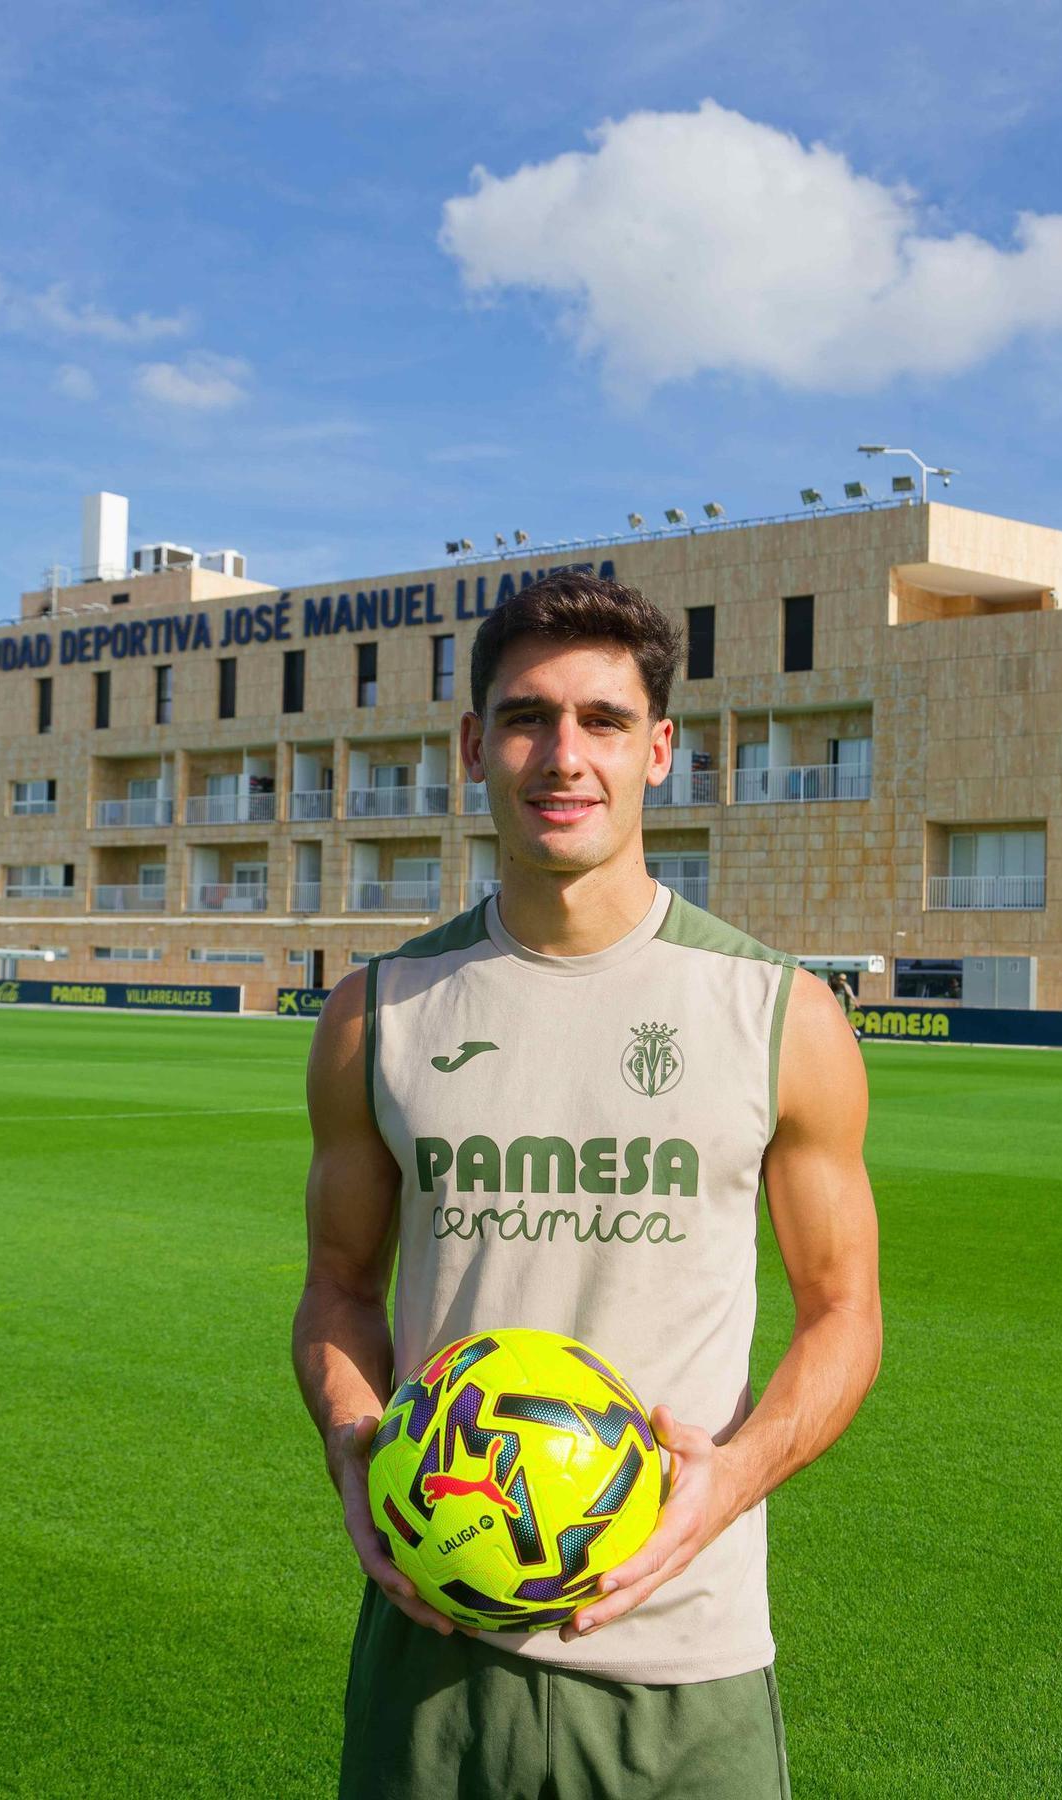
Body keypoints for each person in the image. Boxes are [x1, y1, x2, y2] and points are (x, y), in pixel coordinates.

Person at [293, 573, 882, 1800]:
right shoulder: (376, 1014)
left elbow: (845, 1313)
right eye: (527, 718)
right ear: (473, 745)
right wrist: (356, 1444)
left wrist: (734, 1475)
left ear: (659, 748)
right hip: (435, 1646)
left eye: (604, 721)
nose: (565, 757)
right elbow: (339, 1289)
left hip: (686, 1658)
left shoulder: (782, 1014)